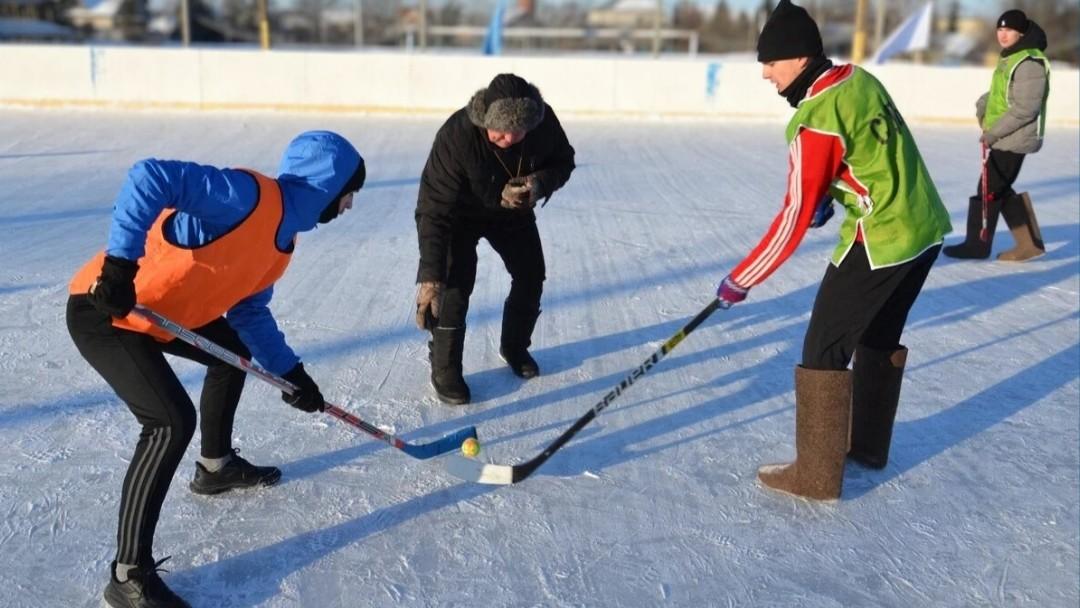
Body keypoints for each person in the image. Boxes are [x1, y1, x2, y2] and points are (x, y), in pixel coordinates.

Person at [66, 130, 365, 608]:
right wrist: (120, 267)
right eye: (349, 194)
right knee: (168, 421)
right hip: (105, 307)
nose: (348, 206)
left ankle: (215, 466)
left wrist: (292, 373)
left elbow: (249, 314)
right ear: (329, 186)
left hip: (166, 317)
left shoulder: (281, 243)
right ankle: (128, 575)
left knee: (235, 356)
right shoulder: (247, 197)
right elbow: (150, 176)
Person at [714, 0, 952, 500]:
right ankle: (866, 447)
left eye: (770, 62)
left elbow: (793, 216)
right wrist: (833, 192)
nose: (765, 74)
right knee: (878, 336)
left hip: (882, 237)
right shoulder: (858, 80)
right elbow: (871, 150)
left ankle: (816, 476)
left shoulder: (814, 119)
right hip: (925, 226)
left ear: (799, 58)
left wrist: (743, 278)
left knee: (822, 349)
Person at [414, 73, 576, 405]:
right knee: (455, 288)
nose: (506, 138)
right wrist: (431, 276)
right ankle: (445, 368)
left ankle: (515, 346)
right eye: (499, 130)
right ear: (483, 118)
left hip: (511, 212)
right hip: (458, 215)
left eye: (516, 132)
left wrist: (538, 184)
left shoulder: (543, 124)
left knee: (531, 274)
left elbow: (564, 161)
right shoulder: (456, 135)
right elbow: (433, 208)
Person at [943, 9, 1050, 262]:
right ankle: (1029, 245)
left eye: (1009, 30)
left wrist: (992, 134)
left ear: (1021, 33)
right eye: (1000, 29)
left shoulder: (1029, 63)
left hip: (1015, 138)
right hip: (1007, 136)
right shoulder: (1012, 58)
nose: (1003, 35)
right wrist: (983, 102)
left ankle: (976, 245)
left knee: (989, 188)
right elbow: (1003, 94)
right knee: (998, 188)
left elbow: (1025, 109)